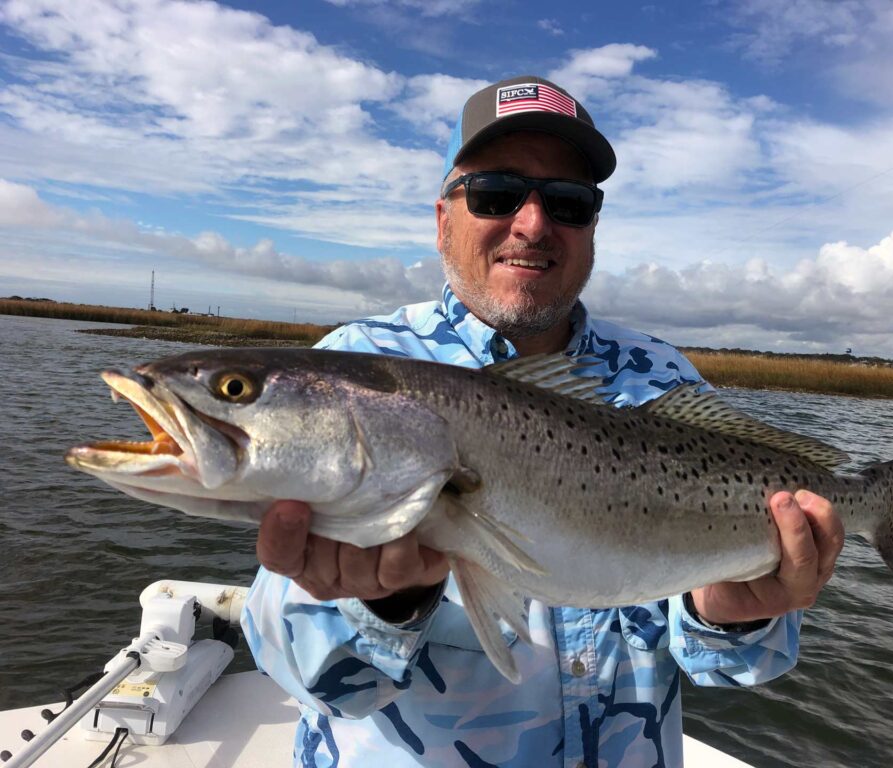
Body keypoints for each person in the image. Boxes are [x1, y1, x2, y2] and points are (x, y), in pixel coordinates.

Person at [241, 75, 844, 768]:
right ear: (443, 219)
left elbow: (731, 667)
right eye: (496, 194)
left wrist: (730, 614)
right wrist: (385, 607)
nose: (533, 224)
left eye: (568, 203)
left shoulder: (663, 374)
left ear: (592, 227)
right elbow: (306, 678)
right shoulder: (350, 371)